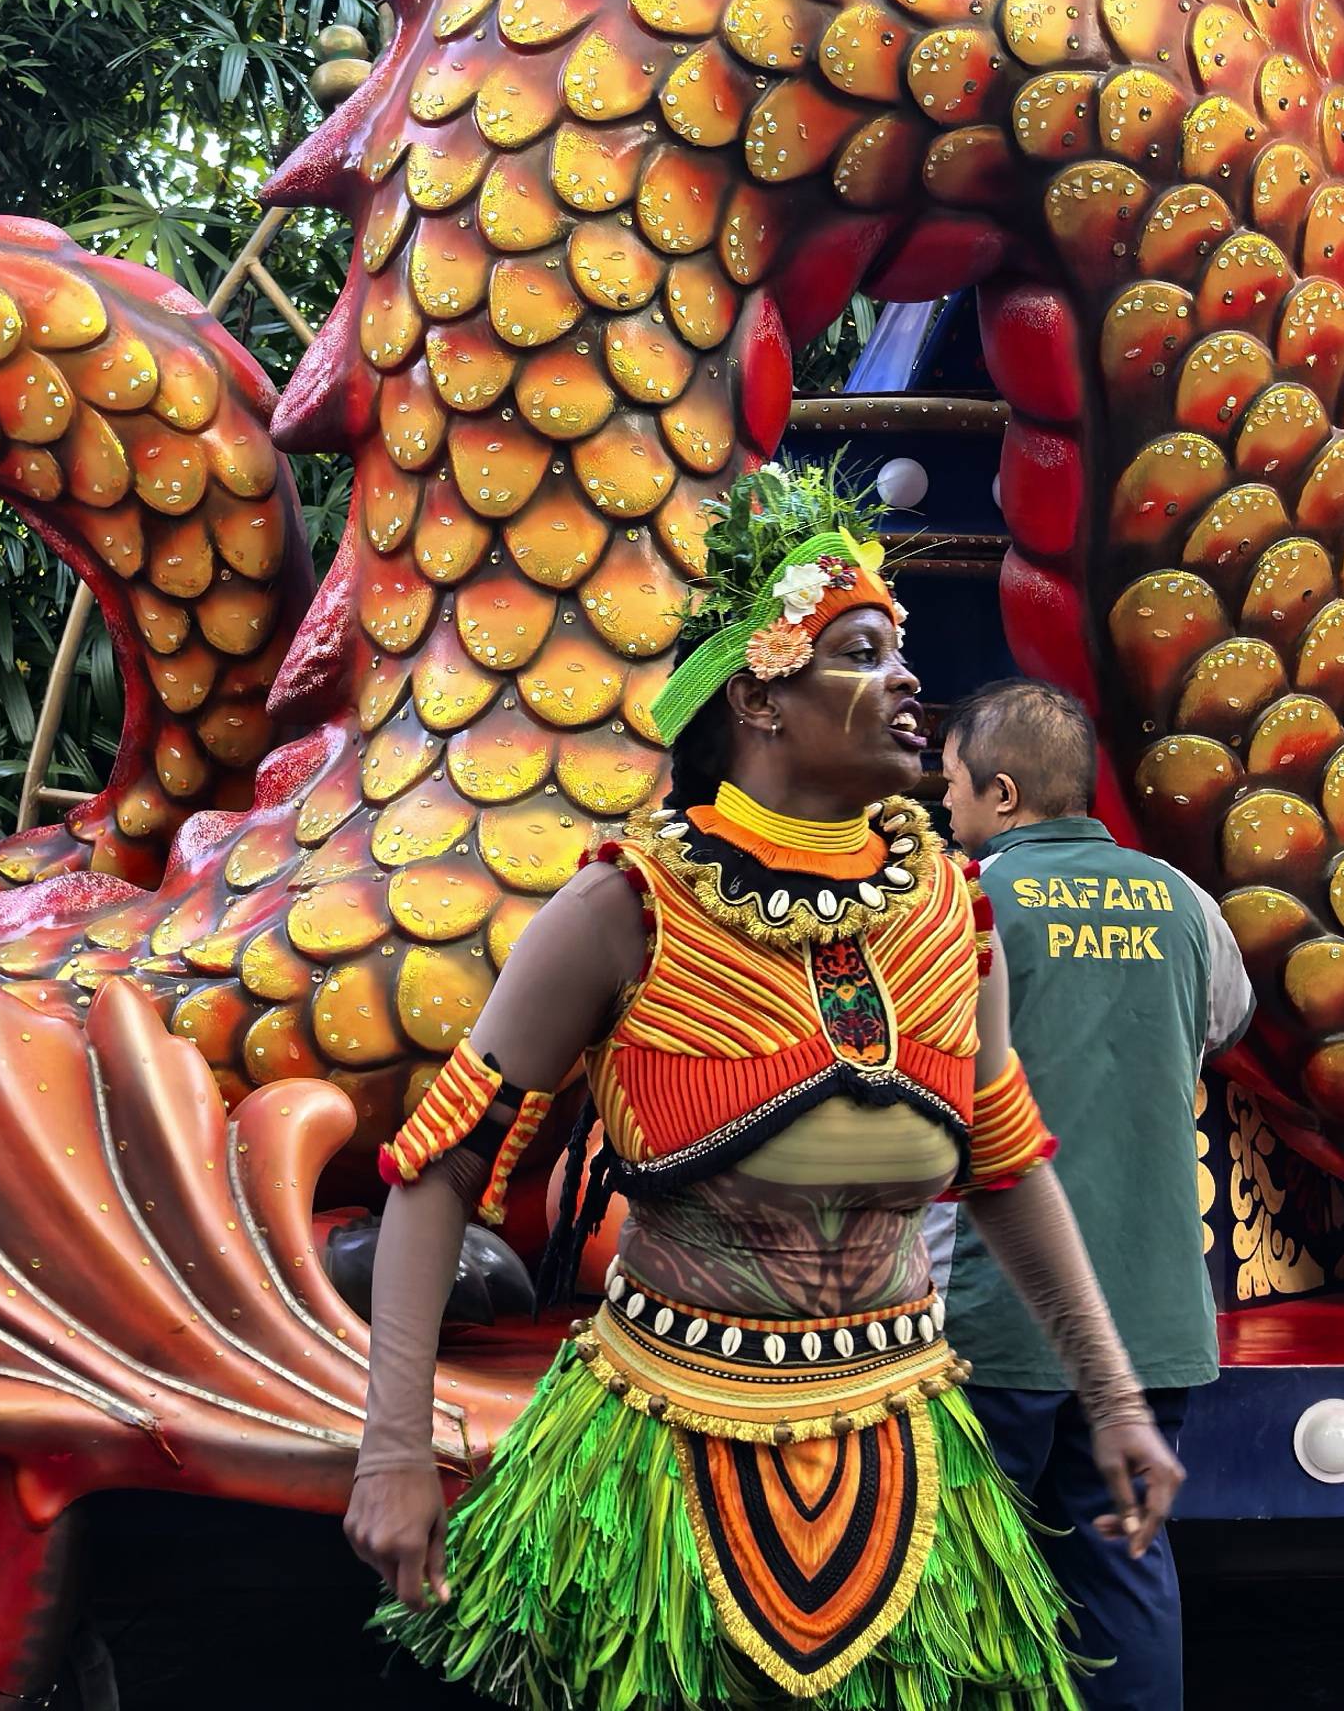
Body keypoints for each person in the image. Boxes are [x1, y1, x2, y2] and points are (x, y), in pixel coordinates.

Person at [342, 465, 1186, 1710]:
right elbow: (441, 1167)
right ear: (757, 697)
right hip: (656, 1466)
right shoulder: (622, 909)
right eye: (860, 652)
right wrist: (393, 1449)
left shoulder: (956, 915)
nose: (907, 680)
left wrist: (1112, 1396)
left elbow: (1008, 1171)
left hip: (910, 1457)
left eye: (901, 652)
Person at [936, 678, 1245, 1711]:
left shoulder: (963, 903)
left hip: (997, 1315)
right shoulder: (1184, 901)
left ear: (1004, 794)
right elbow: (1223, 1024)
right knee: (1122, 1562)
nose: (944, 807)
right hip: (1153, 1314)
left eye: (952, 785)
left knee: (967, 1580)